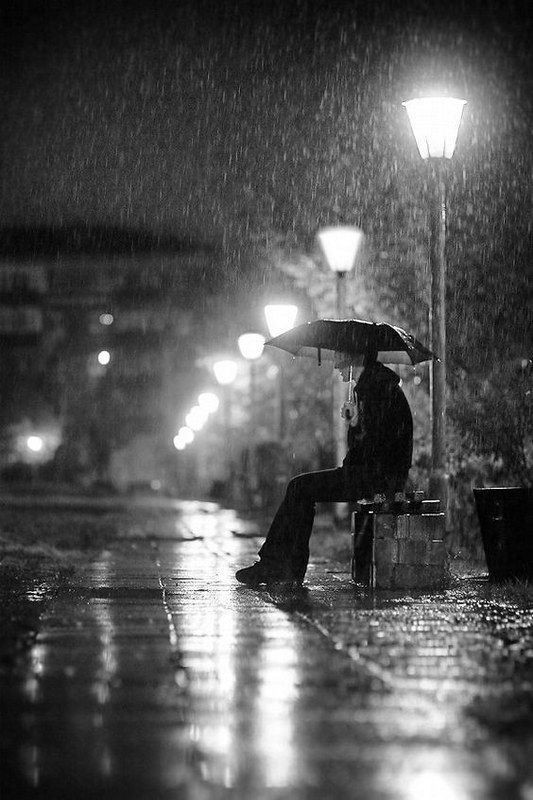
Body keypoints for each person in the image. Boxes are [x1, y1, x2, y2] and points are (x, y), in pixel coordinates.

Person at [235, 348, 413, 586]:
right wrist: (356, 423)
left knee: (300, 487)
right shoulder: (374, 387)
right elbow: (368, 447)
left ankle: (279, 566)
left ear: (354, 358)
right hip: (376, 473)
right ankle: (282, 566)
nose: (336, 365)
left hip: (378, 478)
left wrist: (357, 424)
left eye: (339, 357)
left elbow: (373, 448)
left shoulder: (376, 390)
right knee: (299, 488)